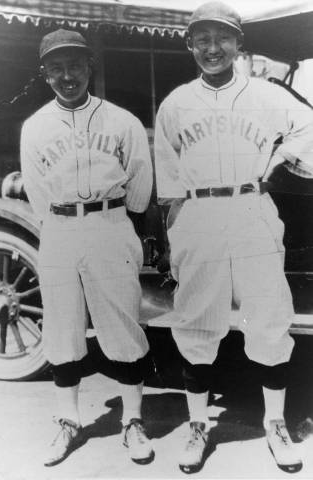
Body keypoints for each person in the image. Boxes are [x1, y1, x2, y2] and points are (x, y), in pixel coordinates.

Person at [154, 1, 313, 474]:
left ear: (238, 43)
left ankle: (276, 423)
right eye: (202, 39)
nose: (212, 48)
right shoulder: (177, 102)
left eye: (222, 37)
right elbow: (168, 180)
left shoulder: (267, 95)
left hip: (251, 206)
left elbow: (309, 128)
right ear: (189, 45)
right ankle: (199, 425)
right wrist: (171, 237)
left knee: (267, 318)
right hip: (198, 213)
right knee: (197, 322)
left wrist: (281, 157)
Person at [20, 28, 154, 467]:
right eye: (56, 68)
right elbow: (38, 193)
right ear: (45, 74)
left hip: (110, 222)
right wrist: (61, 222)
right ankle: (68, 421)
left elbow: (140, 180)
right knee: (62, 328)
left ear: (89, 66)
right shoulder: (35, 126)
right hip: (59, 228)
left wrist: (120, 221)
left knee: (123, 327)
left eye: (74, 65)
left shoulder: (121, 120)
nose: (67, 76)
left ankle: (132, 420)